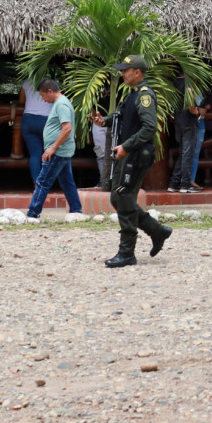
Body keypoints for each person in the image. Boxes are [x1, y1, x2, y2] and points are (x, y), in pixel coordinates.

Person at [90, 55, 172, 268]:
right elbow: (121, 117)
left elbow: (149, 127)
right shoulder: (132, 95)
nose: (122, 73)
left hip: (135, 155)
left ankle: (127, 253)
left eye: (126, 70)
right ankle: (157, 231)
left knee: (123, 197)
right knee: (119, 199)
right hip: (128, 155)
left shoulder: (145, 95)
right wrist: (104, 120)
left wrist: (126, 146)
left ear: (137, 72)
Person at [25, 78, 83, 218]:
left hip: (58, 151)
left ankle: (33, 213)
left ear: (50, 91)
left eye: (43, 95)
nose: (43, 99)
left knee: (43, 182)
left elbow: (67, 128)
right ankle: (76, 210)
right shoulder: (59, 103)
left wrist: (53, 148)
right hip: (61, 151)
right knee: (67, 182)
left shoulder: (61, 104)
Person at [169, 70, 203, 193]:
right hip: (188, 121)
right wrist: (197, 111)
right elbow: (190, 102)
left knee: (183, 152)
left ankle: (174, 182)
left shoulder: (173, 83)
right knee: (187, 153)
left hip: (178, 121)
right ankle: (185, 184)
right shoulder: (188, 84)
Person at [19, 78, 55, 184]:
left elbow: (21, 101)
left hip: (28, 120)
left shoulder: (26, 82)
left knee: (35, 155)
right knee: (49, 153)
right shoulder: (51, 82)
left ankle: (37, 185)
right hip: (46, 120)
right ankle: (47, 183)